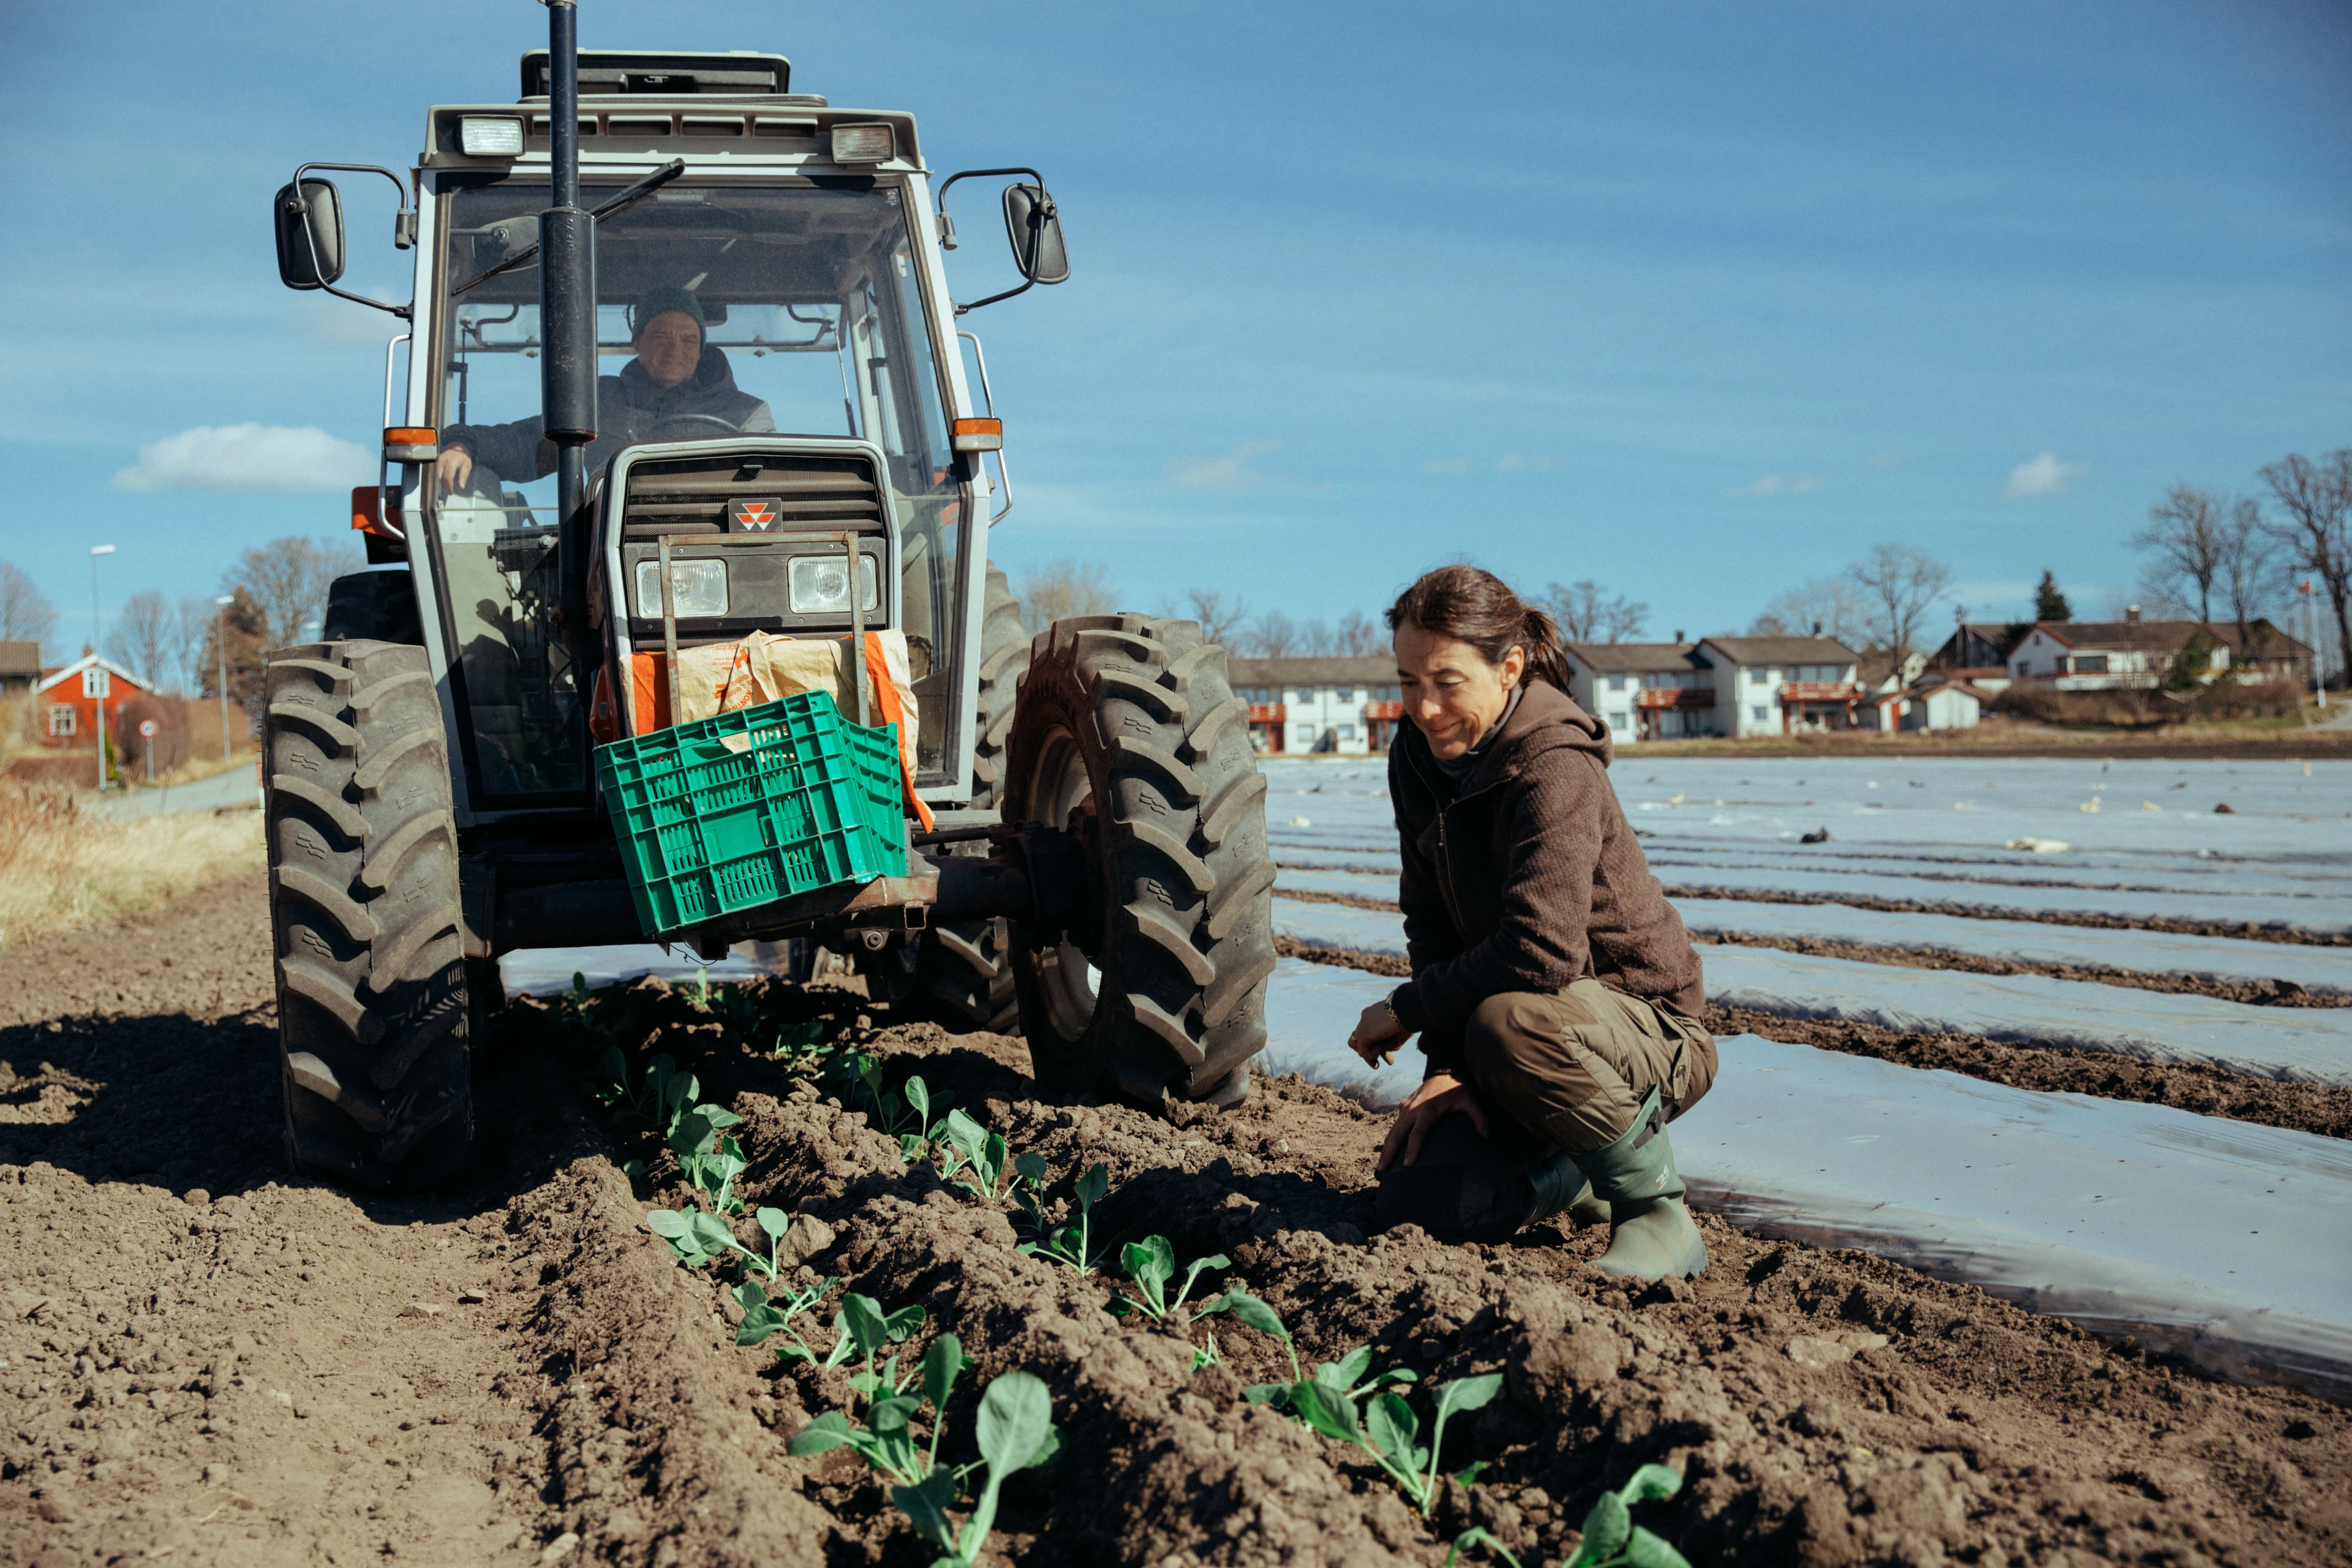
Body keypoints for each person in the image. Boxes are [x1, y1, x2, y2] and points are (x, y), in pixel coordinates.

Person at [1346, 565, 1716, 1279]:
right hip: (1527, 1030)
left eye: (1447, 681)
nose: (1425, 707)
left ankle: (1655, 1212)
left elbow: (1540, 955)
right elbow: (1430, 918)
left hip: (1646, 1031)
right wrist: (1449, 1070)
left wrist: (1406, 1009)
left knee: (1511, 1020)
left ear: (1508, 666)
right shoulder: (1416, 758)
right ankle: (1575, 1177)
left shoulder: (1553, 763)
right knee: (1422, 1202)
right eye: (1407, 681)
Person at [439, 287, 775, 494]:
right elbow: (529, 447)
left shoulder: (748, 414)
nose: (676, 349)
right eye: (661, 336)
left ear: (701, 350)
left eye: (689, 340)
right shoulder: (601, 402)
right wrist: (464, 444)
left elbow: (773, 485)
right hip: (612, 550)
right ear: (637, 342)